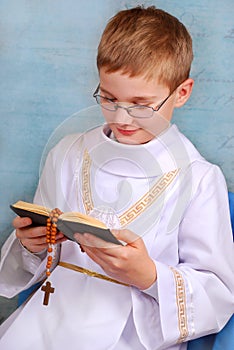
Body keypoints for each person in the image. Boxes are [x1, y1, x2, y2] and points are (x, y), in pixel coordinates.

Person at [0, 6, 233, 350]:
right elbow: (36, 257)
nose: (122, 117)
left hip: (135, 333)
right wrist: (32, 245)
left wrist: (149, 276)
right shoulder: (67, 153)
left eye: (141, 104)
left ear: (181, 93)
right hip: (51, 320)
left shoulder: (198, 179)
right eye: (108, 98)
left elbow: (218, 291)